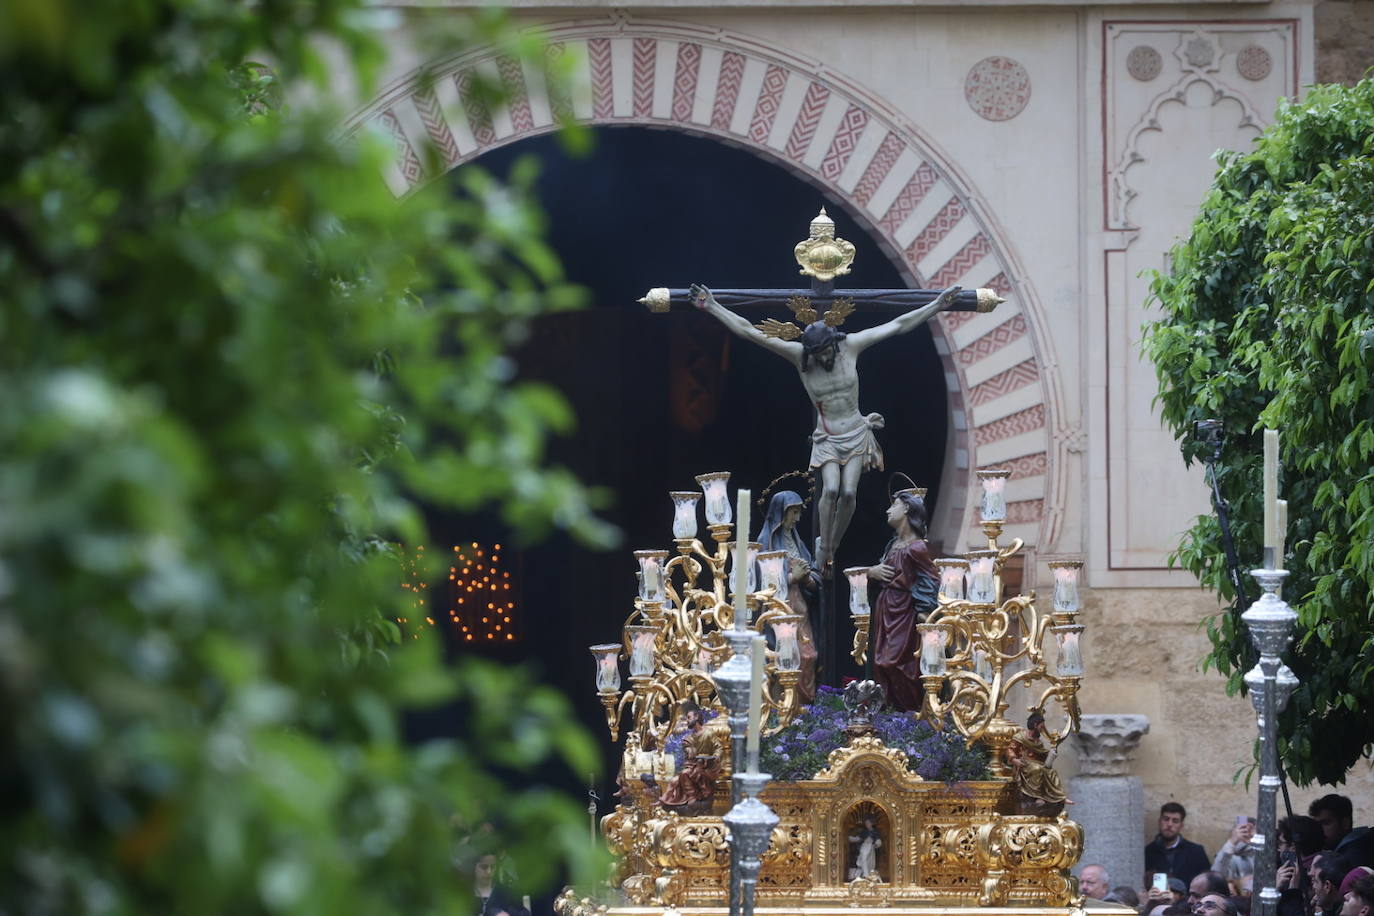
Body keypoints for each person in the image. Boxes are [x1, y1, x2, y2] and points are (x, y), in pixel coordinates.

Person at [690, 282, 962, 571]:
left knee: (848, 493)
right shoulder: (799, 357)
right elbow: (750, 331)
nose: (822, 358)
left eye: (825, 351)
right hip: (828, 437)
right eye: (817, 354)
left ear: (834, 343)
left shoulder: (851, 346)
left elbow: (897, 325)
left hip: (856, 432)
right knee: (830, 490)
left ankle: (831, 545)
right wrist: (713, 306)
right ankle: (824, 545)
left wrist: (937, 305)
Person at [866, 490, 939, 711]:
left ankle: (909, 714)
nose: (888, 510)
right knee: (880, 663)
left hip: (904, 612)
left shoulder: (916, 547)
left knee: (897, 664)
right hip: (885, 609)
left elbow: (931, 579)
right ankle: (889, 714)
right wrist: (872, 572)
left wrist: (924, 610)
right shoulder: (892, 545)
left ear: (906, 508)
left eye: (893, 505)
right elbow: (881, 571)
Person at [758, 490, 820, 701]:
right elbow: (763, 584)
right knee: (784, 656)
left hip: (800, 606)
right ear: (780, 512)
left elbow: (813, 577)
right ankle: (782, 705)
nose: (797, 518)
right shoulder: (766, 541)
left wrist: (808, 579)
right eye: (793, 512)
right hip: (779, 608)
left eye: (799, 512)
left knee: (808, 655)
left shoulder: (797, 542)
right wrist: (793, 577)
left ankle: (804, 706)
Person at [658, 705, 721, 815]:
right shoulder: (689, 738)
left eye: (689, 717)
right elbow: (688, 752)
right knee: (675, 780)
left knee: (686, 773)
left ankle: (694, 796)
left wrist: (716, 756)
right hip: (693, 764)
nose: (687, 721)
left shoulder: (708, 733)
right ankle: (668, 801)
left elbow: (718, 747)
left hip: (707, 764)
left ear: (696, 717)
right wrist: (688, 750)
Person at [1007, 709, 1071, 815]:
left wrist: (1051, 754)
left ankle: (1059, 797)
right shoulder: (1020, 737)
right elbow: (1010, 749)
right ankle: (1037, 797)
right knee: (1037, 769)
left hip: (1037, 763)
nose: (1042, 730)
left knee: (1051, 772)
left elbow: (1041, 753)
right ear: (1035, 725)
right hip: (1024, 764)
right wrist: (1014, 760)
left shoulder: (1037, 741)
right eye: (1041, 727)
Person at [1146, 802, 1212, 888]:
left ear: (1181, 825)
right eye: (1166, 819)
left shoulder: (1196, 852)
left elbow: (1207, 884)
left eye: (1175, 821)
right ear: (1159, 821)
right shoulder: (1148, 852)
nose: (1169, 824)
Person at [1310, 796, 1374, 869]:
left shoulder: (1355, 855)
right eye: (1316, 825)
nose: (1318, 830)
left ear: (1345, 823)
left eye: (1325, 823)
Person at [1214, 817, 1258, 885]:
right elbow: (1215, 878)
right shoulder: (1227, 854)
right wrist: (1232, 842)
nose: (1246, 834)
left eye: (1249, 831)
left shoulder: (1259, 852)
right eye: (1242, 830)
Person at [848, 815, 883, 880]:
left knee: (868, 861)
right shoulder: (865, 832)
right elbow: (858, 838)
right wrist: (850, 838)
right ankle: (865, 874)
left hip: (870, 848)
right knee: (863, 859)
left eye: (868, 823)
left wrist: (876, 844)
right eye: (866, 823)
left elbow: (878, 840)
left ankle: (868, 874)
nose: (867, 824)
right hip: (864, 847)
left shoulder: (875, 832)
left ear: (871, 823)